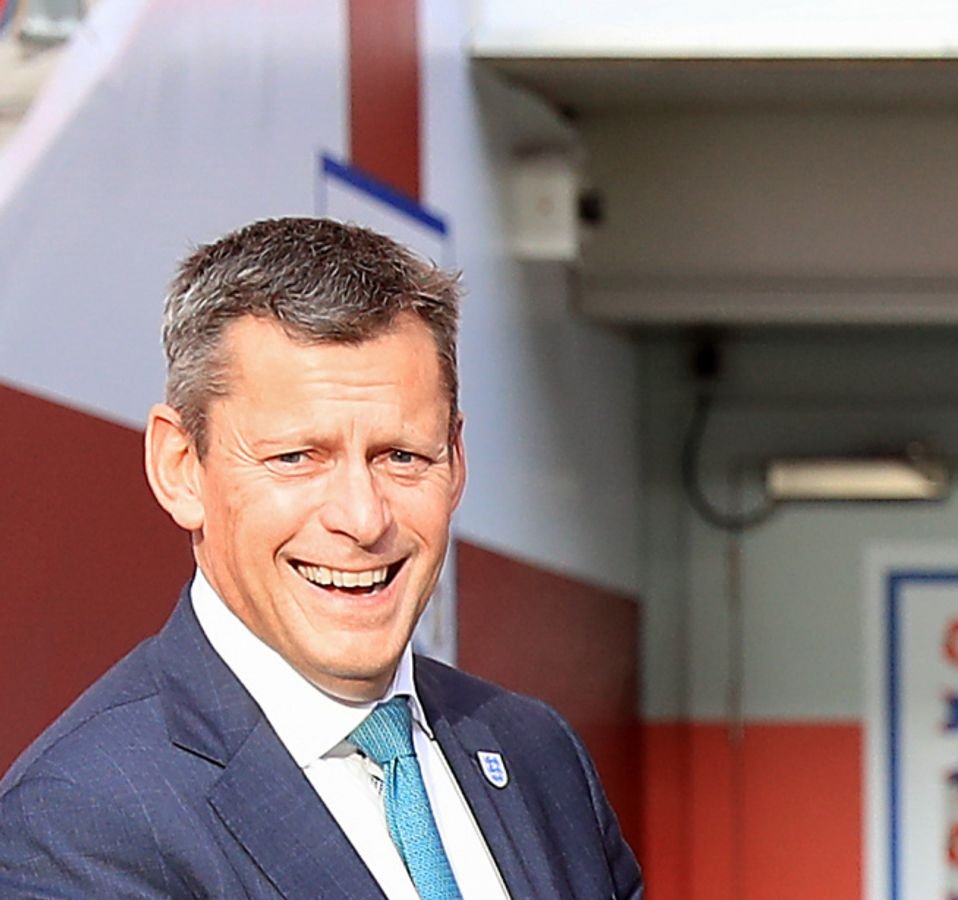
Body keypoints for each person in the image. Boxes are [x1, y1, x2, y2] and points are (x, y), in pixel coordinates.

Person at [0, 218, 643, 898]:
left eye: (402, 456)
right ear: (181, 466)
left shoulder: (538, 756)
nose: (362, 519)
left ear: (455, 460)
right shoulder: (79, 823)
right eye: (297, 458)